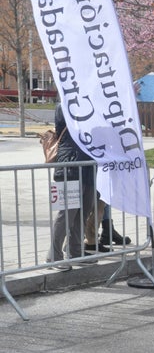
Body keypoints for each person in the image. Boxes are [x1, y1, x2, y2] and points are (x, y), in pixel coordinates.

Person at [47, 105, 97, 271]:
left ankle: (75, 252)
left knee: (83, 212)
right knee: (66, 214)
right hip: (70, 165)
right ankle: (53, 256)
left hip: (87, 166)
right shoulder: (65, 104)